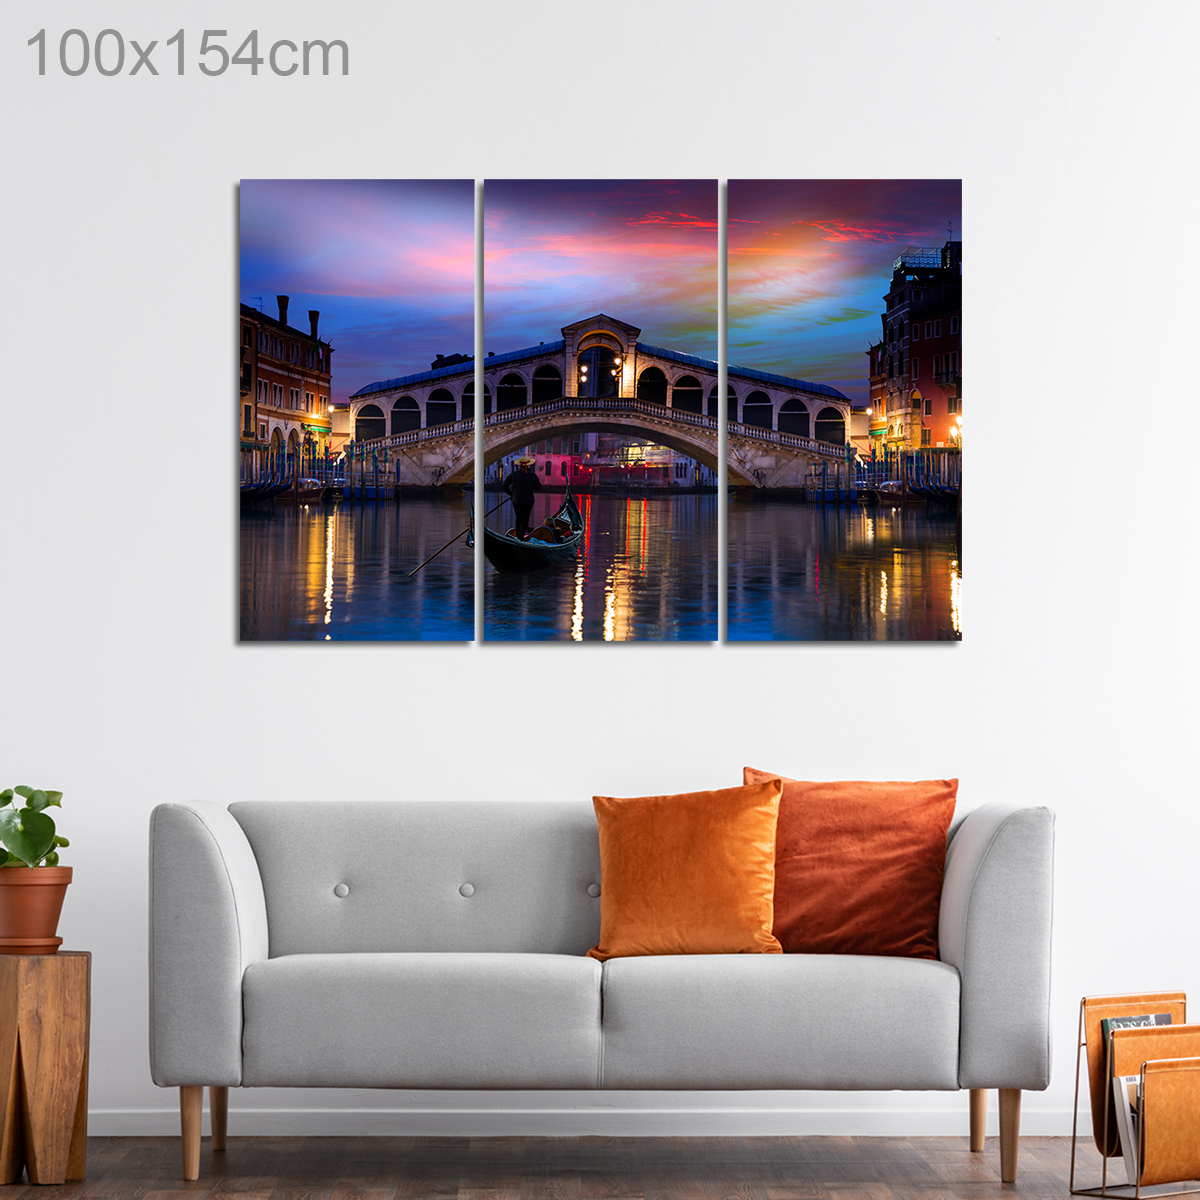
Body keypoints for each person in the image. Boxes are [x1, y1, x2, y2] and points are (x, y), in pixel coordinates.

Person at [502, 456, 541, 538]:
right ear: (528, 465)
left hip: (516, 500)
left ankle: (518, 536)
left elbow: (504, 484)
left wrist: (511, 494)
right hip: (528, 500)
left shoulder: (514, 474)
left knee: (519, 518)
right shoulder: (532, 475)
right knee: (525, 519)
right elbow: (538, 487)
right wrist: (531, 486)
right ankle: (520, 537)